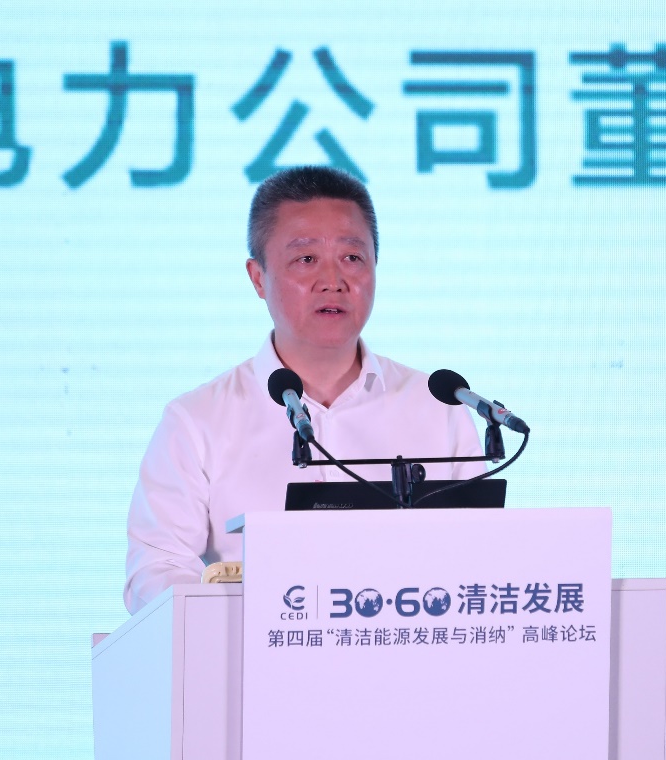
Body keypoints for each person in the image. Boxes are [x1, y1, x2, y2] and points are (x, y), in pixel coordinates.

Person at [124, 166, 483, 613]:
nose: (333, 280)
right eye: (306, 259)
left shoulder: (436, 405)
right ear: (258, 277)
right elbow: (156, 569)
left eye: (352, 258)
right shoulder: (197, 421)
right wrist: (237, 623)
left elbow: (478, 556)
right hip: (254, 651)